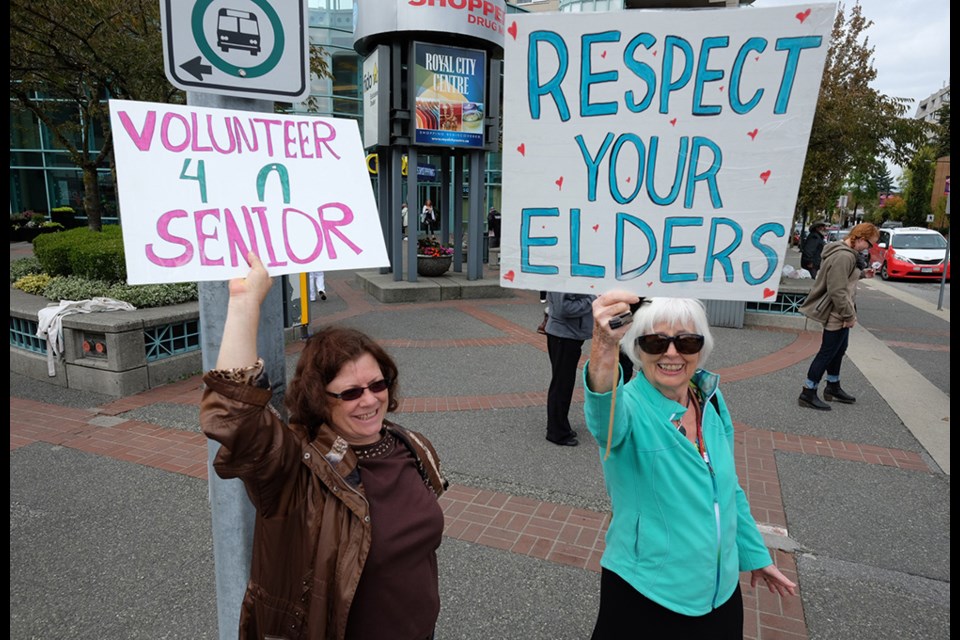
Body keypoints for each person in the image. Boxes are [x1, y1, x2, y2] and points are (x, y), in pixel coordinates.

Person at [200, 252, 448, 640]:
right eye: (349, 393)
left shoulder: (409, 445)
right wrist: (245, 303)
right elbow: (235, 419)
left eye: (377, 385)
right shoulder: (297, 469)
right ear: (319, 398)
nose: (369, 401)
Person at [583, 294, 797, 637]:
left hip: (721, 593)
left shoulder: (707, 396)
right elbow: (602, 415)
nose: (671, 353)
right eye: (655, 342)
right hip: (647, 595)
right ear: (638, 350)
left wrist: (755, 554)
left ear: (702, 348)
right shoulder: (630, 409)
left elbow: (727, 488)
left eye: (687, 341)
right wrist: (604, 345)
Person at [797, 222, 880, 410]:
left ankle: (833, 387)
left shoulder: (847, 254)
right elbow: (837, 289)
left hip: (840, 309)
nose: (869, 248)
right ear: (859, 238)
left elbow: (843, 279)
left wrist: (862, 275)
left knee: (839, 349)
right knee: (827, 351)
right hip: (838, 311)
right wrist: (849, 315)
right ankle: (808, 392)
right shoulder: (844, 256)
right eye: (869, 243)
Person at [544, 291, 596, 446]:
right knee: (561, 384)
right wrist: (593, 298)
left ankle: (559, 425)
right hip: (564, 335)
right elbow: (564, 308)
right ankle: (557, 432)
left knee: (563, 383)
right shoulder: (563, 280)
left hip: (568, 335)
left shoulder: (566, 276)